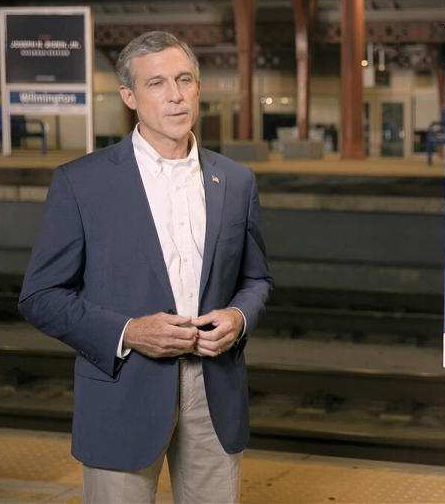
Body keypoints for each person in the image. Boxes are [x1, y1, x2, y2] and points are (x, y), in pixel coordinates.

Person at [18, 31, 272, 503]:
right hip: (123, 387)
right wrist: (129, 332)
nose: (174, 95)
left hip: (214, 391)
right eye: (156, 83)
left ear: (198, 88)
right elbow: (40, 296)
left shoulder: (236, 182)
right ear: (130, 97)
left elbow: (256, 279)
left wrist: (238, 318)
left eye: (184, 80)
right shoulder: (82, 183)